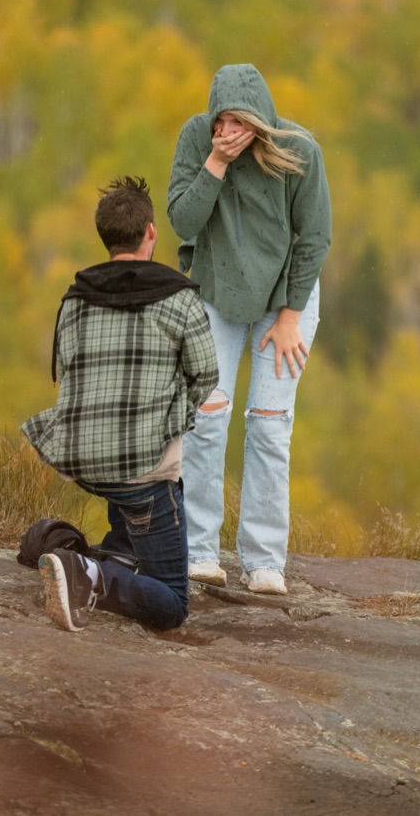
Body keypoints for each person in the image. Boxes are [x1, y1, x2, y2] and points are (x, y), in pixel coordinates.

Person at [20, 176, 218, 632]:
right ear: (151, 232)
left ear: (105, 237)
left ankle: (59, 543)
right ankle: (86, 576)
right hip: (141, 475)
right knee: (172, 603)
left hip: (82, 458)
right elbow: (206, 377)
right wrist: (172, 421)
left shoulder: (74, 300)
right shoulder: (180, 299)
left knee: (129, 471)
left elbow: (67, 375)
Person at [167, 63, 331, 595]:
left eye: (239, 121)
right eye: (221, 120)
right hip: (218, 287)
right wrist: (215, 163)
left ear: (260, 120)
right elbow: (183, 222)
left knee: (268, 423)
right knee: (206, 418)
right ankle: (198, 552)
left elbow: (315, 239)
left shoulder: (300, 151)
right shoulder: (198, 139)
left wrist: (288, 317)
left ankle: (263, 562)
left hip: (287, 298)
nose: (227, 130)